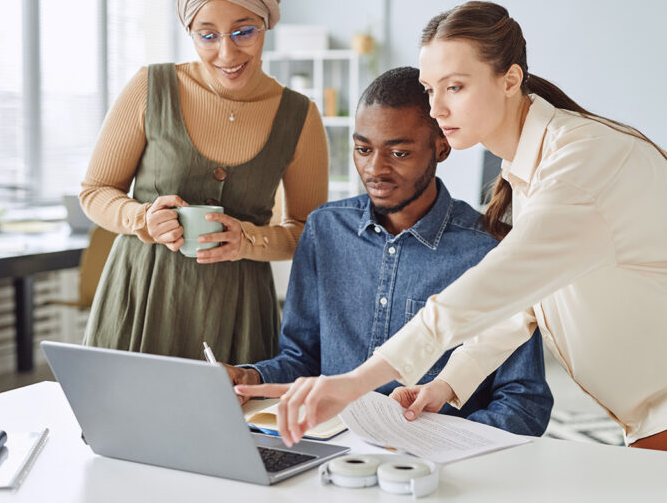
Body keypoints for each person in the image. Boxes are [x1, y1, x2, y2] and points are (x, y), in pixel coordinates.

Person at [237, 2, 667, 502]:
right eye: (432, 91)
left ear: (510, 79)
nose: (437, 109)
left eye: (455, 86)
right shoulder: (529, 172)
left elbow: (483, 292)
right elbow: (524, 304)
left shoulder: (581, 164)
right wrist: (447, 385)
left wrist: (354, 382)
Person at [225, 67, 553, 436]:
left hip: (438, 468)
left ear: (441, 146)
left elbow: (523, 403)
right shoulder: (325, 230)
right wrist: (247, 375)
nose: (374, 168)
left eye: (398, 152)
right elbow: (302, 359)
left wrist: (440, 448)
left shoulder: (491, 247)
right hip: (334, 452)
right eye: (363, 149)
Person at [80, 0, 328, 364]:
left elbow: (309, 232)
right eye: (207, 35)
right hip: (142, 295)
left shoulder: (299, 115)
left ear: (266, 24)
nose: (227, 55)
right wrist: (142, 218)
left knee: (232, 427)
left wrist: (248, 240)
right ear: (190, 31)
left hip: (239, 310)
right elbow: (95, 191)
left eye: (244, 32)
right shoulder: (150, 87)